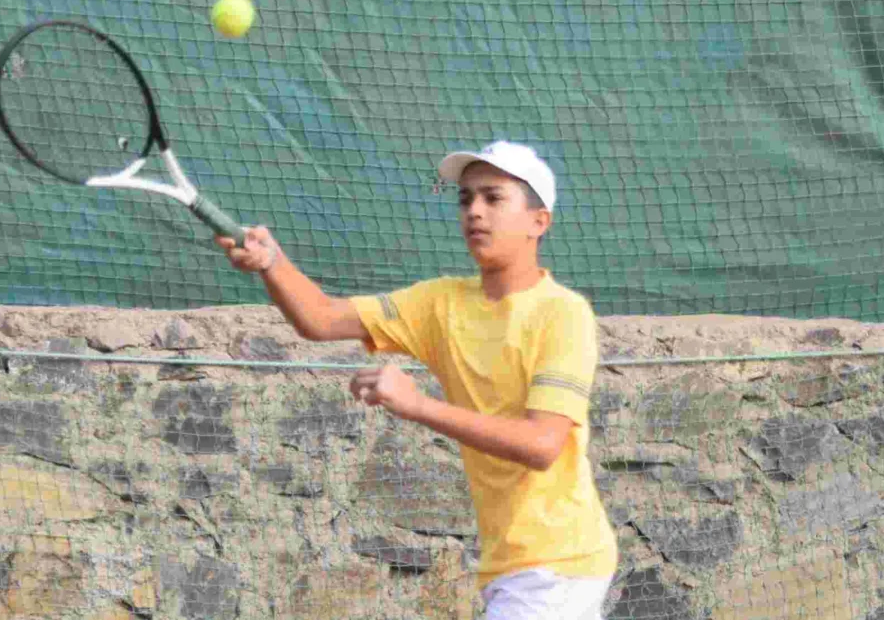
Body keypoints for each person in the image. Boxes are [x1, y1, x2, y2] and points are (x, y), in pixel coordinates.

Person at [215, 140, 617, 619]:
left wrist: (418, 404)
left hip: (558, 564)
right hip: (513, 565)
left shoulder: (563, 315)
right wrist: (272, 265)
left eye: (494, 198)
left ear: (539, 221)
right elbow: (321, 319)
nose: (475, 212)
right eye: (465, 199)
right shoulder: (441, 304)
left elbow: (542, 444)